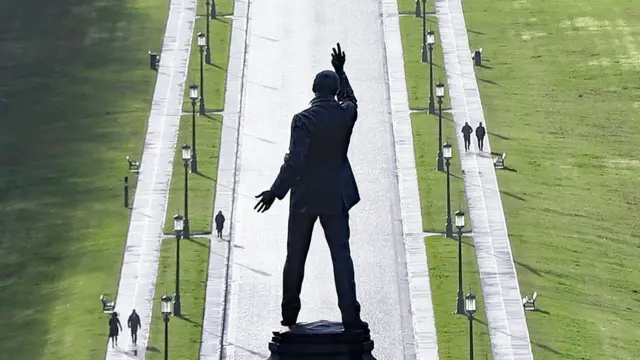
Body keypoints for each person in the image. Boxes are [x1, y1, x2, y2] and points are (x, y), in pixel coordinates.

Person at [254, 43, 367, 332]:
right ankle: (350, 315)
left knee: (296, 257)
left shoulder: (302, 120)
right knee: (341, 256)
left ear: (313, 89)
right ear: (333, 90)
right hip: (336, 195)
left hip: (305, 197)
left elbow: (296, 164)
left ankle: (289, 313)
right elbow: (352, 98)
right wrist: (342, 72)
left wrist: (274, 192)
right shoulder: (345, 115)